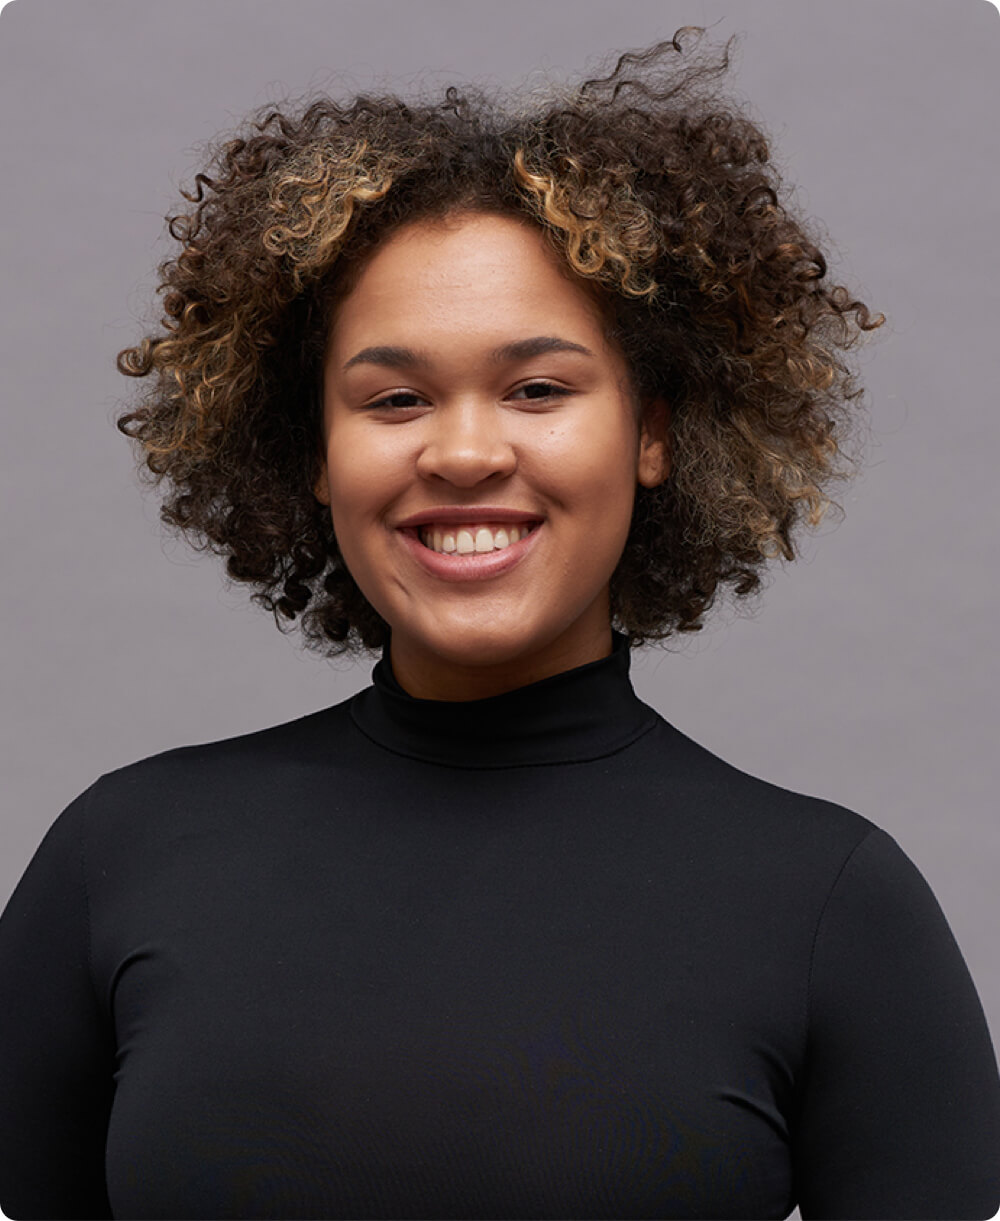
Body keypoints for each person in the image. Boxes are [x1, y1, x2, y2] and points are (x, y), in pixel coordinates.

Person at [1, 27, 998, 1221]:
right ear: (314, 452)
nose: (464, 452)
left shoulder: (834, 906)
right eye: (395, 398)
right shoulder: (117, 858)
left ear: (651, 433)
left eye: (537, 389)